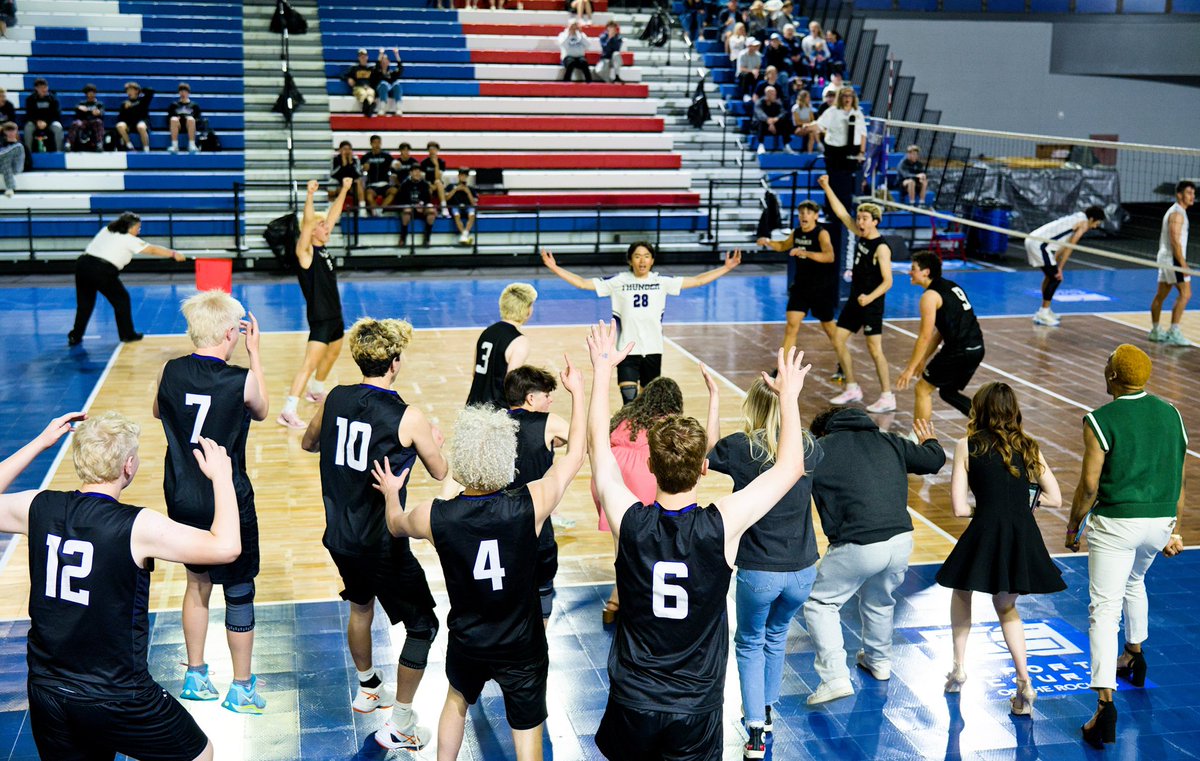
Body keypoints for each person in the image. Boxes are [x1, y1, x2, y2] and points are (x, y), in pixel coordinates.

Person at [586, 321, 810, 761]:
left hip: (634, 695)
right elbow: (790, 468)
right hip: (696, 702)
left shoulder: (630, 521)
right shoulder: (722, 524)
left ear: (650, 463)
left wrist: (600, 373)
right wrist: (787, 398)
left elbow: (599, 449)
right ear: (701, 464)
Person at [373, 356, 586, 761]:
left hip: (469, 638)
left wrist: (388, 492)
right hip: (521, 642)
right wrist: (578, 394)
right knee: (527, 731)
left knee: (455, 701)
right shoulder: (530, 503)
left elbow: (396, 524)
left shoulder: (437, 515)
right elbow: (575, 455)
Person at [0, 411, 241, 761]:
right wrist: (222, 477)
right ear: (128, 466)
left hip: (47, 690)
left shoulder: (40, 506)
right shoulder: (137, 526)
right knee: (200, 754)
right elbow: (227, 547)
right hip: (118, 694)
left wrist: (40, 443)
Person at [301, 317, 449, 751]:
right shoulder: (408, 415)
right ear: (395, 363)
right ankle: (401, 721)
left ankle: (368, 689)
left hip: (340, 537)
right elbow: (440, 470)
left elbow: (309, 444)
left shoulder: (334, 397)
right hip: (383, 542)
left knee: (361, 607)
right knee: (423, 624)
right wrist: (431, 440)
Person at [153, 291, 270, 714]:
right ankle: (240, 687)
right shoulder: (241, 380)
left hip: (182, 496)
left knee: (197, 584)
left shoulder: (170, 371)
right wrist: (255, 355)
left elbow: (157, 411)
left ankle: (196, 675)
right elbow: (261, 409)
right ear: (229, 332)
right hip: (227, 500)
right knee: (239, 589)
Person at [1067, 344, 1186, 749]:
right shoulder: (1172, 413)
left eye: (1107, 365)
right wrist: (1174, 529)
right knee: (1135, 581)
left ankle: (1103, 705)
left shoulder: (1101, 419)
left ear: (1114, 377)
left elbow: (1089, 485)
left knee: (1103, 609)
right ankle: (1134, 655)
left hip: (1118, 523)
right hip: (1161, 520)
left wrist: (1073, 524)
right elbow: (1180, 478)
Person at [705, 374, 823, 758]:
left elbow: (707, 453)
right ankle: (767, 712)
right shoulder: (809, 447)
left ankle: (755, 730)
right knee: (776, 638)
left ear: (753, 407)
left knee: (750, 643)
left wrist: (714, 396)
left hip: (759, 571)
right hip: (803, 570)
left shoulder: (743, 448)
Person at [936, 382, 1064, 713]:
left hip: (986, 530)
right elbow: (1054, 498)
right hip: (1022, 534)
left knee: (962, 590)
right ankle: (1024, 683)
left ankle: (959, 667)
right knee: (1006, 607)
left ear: (979, 408)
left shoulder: (967, 445)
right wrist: (1021, 506)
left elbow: (960, 509)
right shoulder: (1029, 445)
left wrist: (989, 509)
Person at [803, 408, 945, 705]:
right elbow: (934, 460)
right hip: (900, 541)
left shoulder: (818, 450)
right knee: (879, 600)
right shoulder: (889, 441)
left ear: (823, 432)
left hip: (857, 543)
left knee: (821, 603)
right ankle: (879, 663)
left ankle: (834, 678)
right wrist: (930, 439)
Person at [541, 242, 742, 403]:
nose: (642, 260)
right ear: (630, 260)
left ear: (652, 260)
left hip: (654, 348)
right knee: (629, 398)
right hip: (627, 349)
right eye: (637, 256)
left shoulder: (662, 281)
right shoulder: (619, 281)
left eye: (646, 256)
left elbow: (698, 280)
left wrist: (726, 267)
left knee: (648, 401)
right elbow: (583, 283)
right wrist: (554, 267)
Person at [590, 375, 685, 624]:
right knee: (647, 544)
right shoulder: (668, 424)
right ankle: (631, 600)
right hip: (642, 474)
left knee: (621, 543)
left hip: (609, 473)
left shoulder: (626, 417)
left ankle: (615, 600)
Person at [277, 178, 352, 428]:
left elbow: (333, 214)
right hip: (320, 318)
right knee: (309, 364)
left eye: (326, 225)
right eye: (321, 226)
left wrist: (344, 190)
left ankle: (316, 390)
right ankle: (288, 410)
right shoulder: (306, 254)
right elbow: (309, 222)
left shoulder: (324, 249)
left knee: (332, 354)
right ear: (311, 231)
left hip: (335, 316)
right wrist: (309, 195)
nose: (326, 227)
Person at [818, 174, 895, 412]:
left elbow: (888, 281)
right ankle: (852, 386)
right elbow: (841, 213)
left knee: (875, 350)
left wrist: (869, 298)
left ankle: (887, 396)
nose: (860, 222)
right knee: (838, 339)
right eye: (859, 217)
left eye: (865, 218)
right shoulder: (860, 235)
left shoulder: (881, 247)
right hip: (856, 300)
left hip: (871, 304)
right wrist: (827, 186)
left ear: (875, 221)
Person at [504, 365, 572, 625]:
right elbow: (580, 442)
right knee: (543, 591)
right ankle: (538, 648)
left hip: (500, 521)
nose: (551, 399)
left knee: (508, 595)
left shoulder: (495, 421)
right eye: (546, 395)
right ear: (531, 399)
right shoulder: (549, 423)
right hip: (536, 522)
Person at [69, 212, 186, 347]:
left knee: (85, 304)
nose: (139, 230)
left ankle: (75, 336)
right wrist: (174, 254)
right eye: (138, 227)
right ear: (130, 227)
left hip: (83, 265)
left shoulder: (107, 230)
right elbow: (152, 250)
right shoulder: (129, 239)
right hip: (102, 269)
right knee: (121, 300)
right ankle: (127, 334)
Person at [895, 252, 985, 421]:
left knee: (922, 388)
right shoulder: (950, 285)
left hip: (959, 351)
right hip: (977, 348)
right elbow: (940, 332)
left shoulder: (929, 297)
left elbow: (925, 337)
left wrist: (909, 369)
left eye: (913, 269)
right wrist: (923, 359)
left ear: (926, 272)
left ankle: (919, 439)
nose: (909, 272)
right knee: (947, 391)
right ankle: (987, 422)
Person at [756, 199, 837, 361]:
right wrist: (768, 242)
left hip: (820, 289)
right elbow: (783, 246)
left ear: (815, 216)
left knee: (829, 329)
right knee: (791, 326)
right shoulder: (797, 232)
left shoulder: (821, 233)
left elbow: (829, 256)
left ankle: (842, 362)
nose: (803, 216)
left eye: (807, 213)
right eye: (801, 213)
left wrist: (806, 253)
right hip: (801, 287)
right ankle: (783, 368)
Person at [1025, 206, 1106, 327]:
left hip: (1034, 241)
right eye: (1096, 223)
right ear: (1092, 219)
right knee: (1055, 278)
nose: (1095, 227)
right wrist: (1060, 269)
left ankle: (1044, 310)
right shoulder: (1083, 224)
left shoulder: (1077, 217)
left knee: (1050, 276)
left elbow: (1062, 244)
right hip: (1039, 245)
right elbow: (1069, 247)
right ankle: (1043, 313)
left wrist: (1056, 264)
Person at [465, 282, 537, 408]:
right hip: (496, 415)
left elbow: (475, 373)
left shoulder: (487, 332)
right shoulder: (519, 341)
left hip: (472, 408)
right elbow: (512, 386)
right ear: (526, 310)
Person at [1150, 180, 1194, 346]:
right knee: (1185, 293)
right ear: (1179, 194)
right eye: (1189, 193)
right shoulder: (1177, 213)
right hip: (1172, 259)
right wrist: (1183, 264)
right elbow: (1175, 241)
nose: (1192, 196)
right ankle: (1174, 331)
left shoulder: (1176, 211)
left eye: (1193, 193)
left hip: (1165, 257)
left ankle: (1155, 331)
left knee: (1160, 295)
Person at [815, 87, 866, 173]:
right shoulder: (832, 111)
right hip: (835, 150)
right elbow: (819, 125)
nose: (847, 98)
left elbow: (863, 134)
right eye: (845, 96)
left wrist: (861, 152)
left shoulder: (858, 113)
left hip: (853, 150)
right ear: (840, 97)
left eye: (850, 96)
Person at [397, 163, 436, 247]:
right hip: (410, 209)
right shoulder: (405, 185)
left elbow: (428, 199)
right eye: (415, 171)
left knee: (431, 211)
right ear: (410, 173)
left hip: (422, 209)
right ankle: (403, 237)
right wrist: (413, 205)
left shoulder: (425, 184)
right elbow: (400, 200)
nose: (417, 173)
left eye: (419, 171)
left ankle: (427, 238)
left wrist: (422, 204)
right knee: (406, 211)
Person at [23, 78, 63, 155]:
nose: (44, 89)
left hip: (49, 122)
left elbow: (57, 114)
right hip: (35, 123)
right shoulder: (30, 99)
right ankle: (28, 153)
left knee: (57, 126)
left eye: (45, 87)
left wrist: (46, 122)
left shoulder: (53, 99)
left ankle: (59, 152)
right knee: (28, 127)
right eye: (41, 88)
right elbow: (29, 114)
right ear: (36, 88)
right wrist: (36, 122)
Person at [361, 134, 396, 215]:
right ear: (371, 144)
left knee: (394, 191)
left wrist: (396, 164)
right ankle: (378, 212)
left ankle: (379, 210)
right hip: (372, 185)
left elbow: (395, 164)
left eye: (379, 142)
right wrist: (363, 169)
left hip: (385, 184)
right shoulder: (366, 157)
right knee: (369, 196)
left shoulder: (387, 156)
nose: (377, 145)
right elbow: (360, 170)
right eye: (375, 143)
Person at [115, 81, 154, 153]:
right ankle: (130, 146)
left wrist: (140, 90)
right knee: (119, 125)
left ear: (136, 90)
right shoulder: (124, 103)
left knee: (141, 126)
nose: (128, 92)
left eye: (131, 90)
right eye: (127, 90)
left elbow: (151, 91)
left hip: (141, 122)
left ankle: (146, 149)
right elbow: (120, 118)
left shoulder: (143, 100)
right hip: (130, 125)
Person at [329, 140, 366, 212]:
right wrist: (343, 164)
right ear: (340, 150)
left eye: (349, 149)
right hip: (339, 183)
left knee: (359, 182)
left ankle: (362, 210)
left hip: (352, 185)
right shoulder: (335, 159)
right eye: (344, 149)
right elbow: (333, 174)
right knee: (332, 183)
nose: (347, 151)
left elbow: (358, 174)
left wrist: (351, 163)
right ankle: (332, 210)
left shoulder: (355, 160)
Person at [753, 85, 791, 155]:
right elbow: (760, 114)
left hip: (773, 124)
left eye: (775, 94)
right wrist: (768, 121)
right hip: (762, 124)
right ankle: (761, 145)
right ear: (767, 94)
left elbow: (783, 113)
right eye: (773, 94)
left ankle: (786, 145)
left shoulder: (777, 103)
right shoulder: (759, 102)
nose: (775, 96)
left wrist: (776, 119)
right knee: (760, 122)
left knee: (785, 122)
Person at [67, 84, 104, 153]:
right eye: (89, 93)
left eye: (92, 93)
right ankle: (69, 144)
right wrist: (79, 108)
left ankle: (99, 144)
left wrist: (93, 112)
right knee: (76, 123)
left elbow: (100, 112)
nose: (91, 95)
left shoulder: (99, 104)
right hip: (83, 122)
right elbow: (77, 110)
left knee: (98, 122)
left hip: (94, 122)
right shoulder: (82, 103)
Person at [167, 83, 202, 155]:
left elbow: (198, 120)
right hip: (178, 126)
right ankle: (174, 146)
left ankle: (192, 145)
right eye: (181, 91)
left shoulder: (194, 105)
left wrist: (190, 118)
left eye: (185, 91)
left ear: (188, 93)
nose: (183, 93)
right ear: (179, 92)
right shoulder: (174, 105)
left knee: (191, 119)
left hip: (189, 126)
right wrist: (177, 118)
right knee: (173, 119)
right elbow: (168, 119)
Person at [446, 167, 476, 245]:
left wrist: (468, 192)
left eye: (466, 175)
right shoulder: (451, 186)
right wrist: (455, 190)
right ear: (459, 176)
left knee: (472, 214)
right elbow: (446, 198)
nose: (464, 177)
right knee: (456, 214)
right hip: (456, 206)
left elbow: (474, 203)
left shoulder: (471, 189)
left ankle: (464, 235)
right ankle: (464, 235)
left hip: (468, 207)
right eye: (462, 175)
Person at [344, 48, 377, 117]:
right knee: (363, 93)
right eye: (361, 57)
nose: (363, 58)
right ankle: (368, 109)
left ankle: (367, 109)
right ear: (358, 58)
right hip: (358, 87)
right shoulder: (354, 68)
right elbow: (343, 75)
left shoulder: (371, 68)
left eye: (364, 56)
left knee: (371, 93)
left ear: (367, 57)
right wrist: (348, 79)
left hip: (368, 88)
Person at [421, 141, 450, 217]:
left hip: (438, 185)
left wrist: (436, 165)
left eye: (434, 149)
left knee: (438, 182)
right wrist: (430, 184)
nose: (432, 151)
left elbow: (438, 177)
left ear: (437, 150)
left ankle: (444, 207)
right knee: (427, 186)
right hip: (428, 184)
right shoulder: (424, 162)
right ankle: (427, 208)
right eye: (430, 149)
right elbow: (423, 178)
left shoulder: (441, 162)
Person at [371, 48, 403, 116]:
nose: (384, 62)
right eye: (383, 60)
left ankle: (399, 108)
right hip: (380, 90)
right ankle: (382, 109)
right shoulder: (377, 72)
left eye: (386, 60)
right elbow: (376, 67)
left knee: (397, 84)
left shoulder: (391, 73)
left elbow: (400, 69)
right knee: (383, 84)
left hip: (390, 90)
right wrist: (380, 54)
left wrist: (396, 55)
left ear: (389, 62)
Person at [0, 121, 24, 197]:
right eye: (8, 130)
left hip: (16, 167)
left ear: (16, 131)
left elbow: (27, 161)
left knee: (17, 148)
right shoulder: (1, 143)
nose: (10, 133)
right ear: (4, 132)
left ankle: (10, 187)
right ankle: (10, 188)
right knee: (5, 161)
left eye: (12, 130)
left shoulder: (20, 145)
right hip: (3, 167)